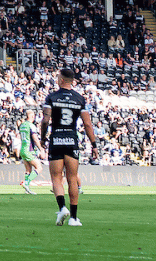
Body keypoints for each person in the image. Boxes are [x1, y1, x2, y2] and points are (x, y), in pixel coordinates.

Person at [43, 68, 98, 227]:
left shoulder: (52, 97)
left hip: (57, 138)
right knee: (72, 178)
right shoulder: (79, 99)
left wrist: (42, 137)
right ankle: (74, 218)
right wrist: (93, 144)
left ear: (61, 80)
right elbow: (87, 124)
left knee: (56, 177)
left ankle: (62, 208)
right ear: (72, 80)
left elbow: (46, 119)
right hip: (72, 139)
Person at [16, 119, 40, 195]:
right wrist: (41, 148)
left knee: (28, 170)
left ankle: (27, 190)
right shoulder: (31, 125)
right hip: (29, 150)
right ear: (32, 116)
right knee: (39, 168)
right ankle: (26, 183)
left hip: (22, 149)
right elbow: (35, 138)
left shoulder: (22, 125)